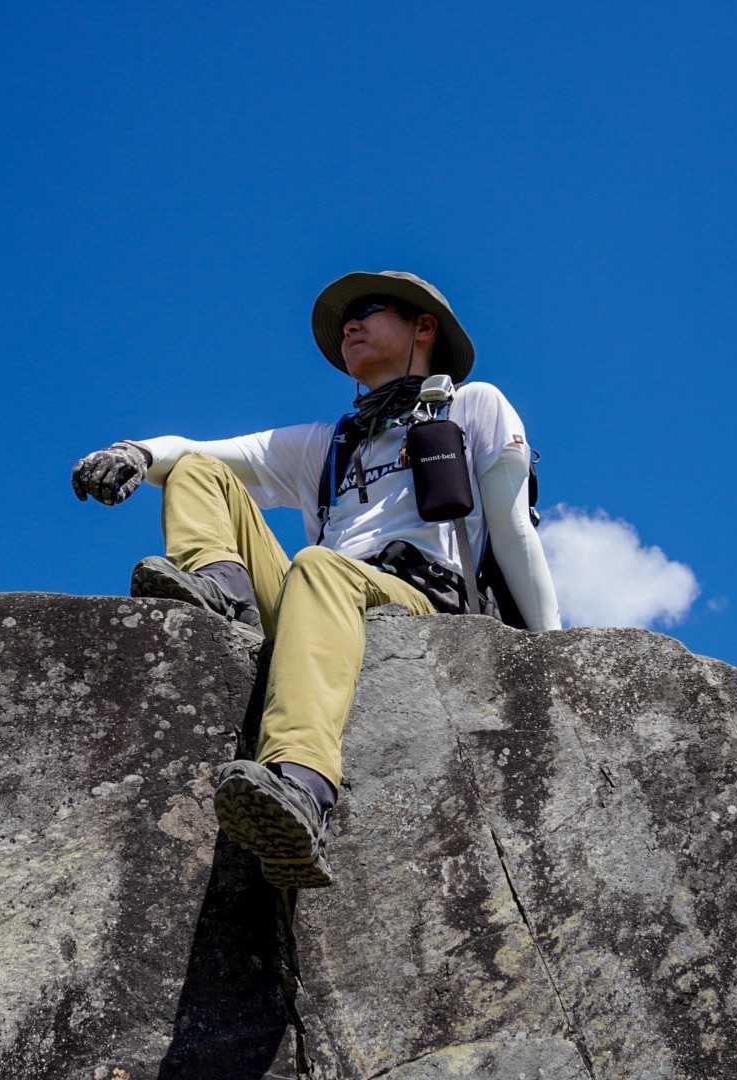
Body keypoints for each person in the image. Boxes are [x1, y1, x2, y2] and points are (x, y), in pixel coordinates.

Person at [71, 270, 560, 888]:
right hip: (315, 596)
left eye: (370, 309)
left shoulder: (475, 405)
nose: (349, 325)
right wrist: (136, 454)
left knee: (317, 564)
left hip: (417, 598)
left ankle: (301, 786)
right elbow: (203, 450)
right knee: (196, 469)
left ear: (424, 327)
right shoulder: (331, 443)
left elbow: (514, 530)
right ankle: (221, 590)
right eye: (346, 318)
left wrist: (552, 654)